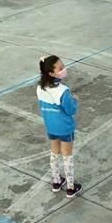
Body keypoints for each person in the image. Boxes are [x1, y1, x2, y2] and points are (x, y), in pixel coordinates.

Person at [37, 55, 81, 196]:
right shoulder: (63, 90)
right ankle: (70, 187)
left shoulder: (40, 87)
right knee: (67, 156)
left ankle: (56, 181)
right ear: (51, 73)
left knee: (55, 152)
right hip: (64, 127)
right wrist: (74, 100)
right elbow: (70, 110)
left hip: (50, 125)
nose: (63, 70)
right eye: (60, 68)